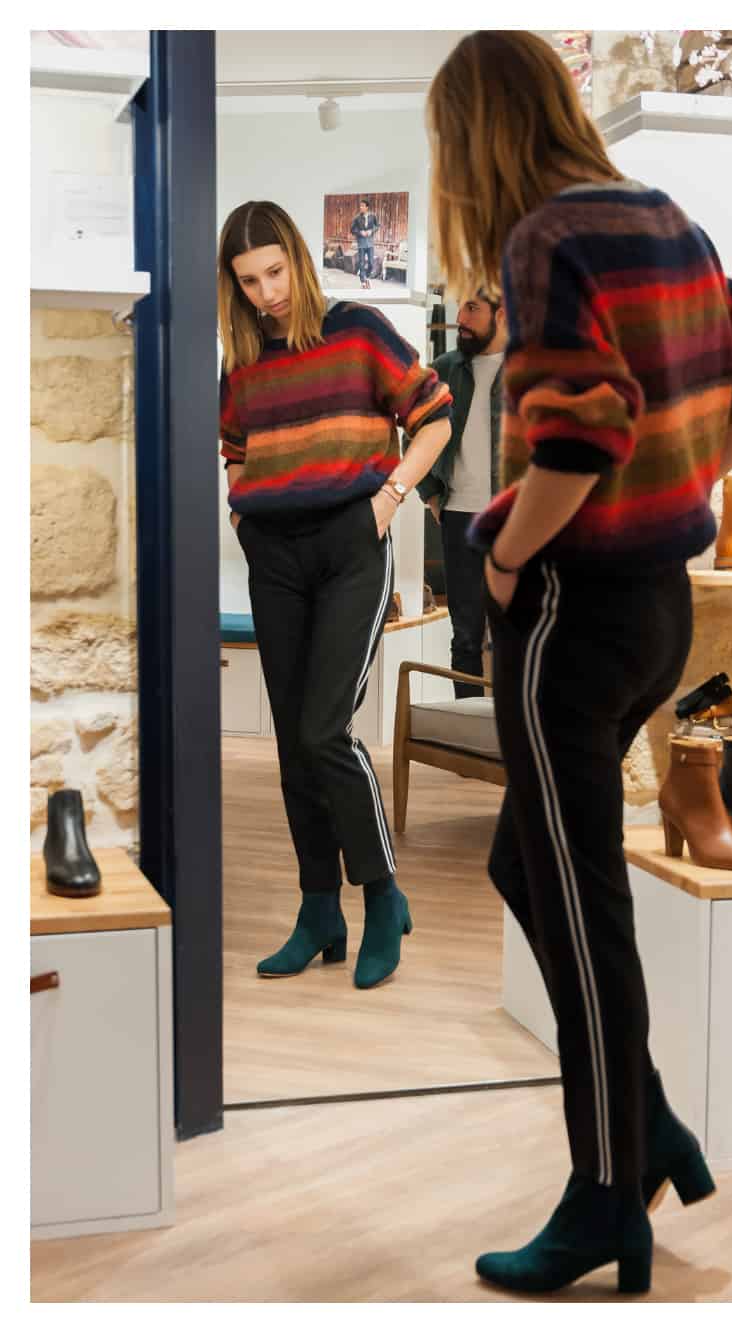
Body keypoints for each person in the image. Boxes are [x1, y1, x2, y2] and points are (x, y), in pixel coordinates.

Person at [428, 30, 732, 1295]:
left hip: (572, 614)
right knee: (523, 863)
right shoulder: (665, 219)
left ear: (471, 138)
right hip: (662, 613)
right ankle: (644, 1131)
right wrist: (689, 481)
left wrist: (502, 562)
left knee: (585, 913)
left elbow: (578, 435)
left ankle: (600, 1200)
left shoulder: (543, 242)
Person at [217, 200, 452, 989]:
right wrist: (243, 509)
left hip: (353, 546)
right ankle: (320, 907)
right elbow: (236, 449)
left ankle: (383, 894)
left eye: (275, 271)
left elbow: (434, 418)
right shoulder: (243, 358)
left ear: (298, 259)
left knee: (325, 731)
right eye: (248, 280)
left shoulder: (357, 328)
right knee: (291, 743)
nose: (266, 292)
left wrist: (388, 500)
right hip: (274, 554)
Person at [416, 289, 507, 696]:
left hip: (516, 521)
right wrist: (431, 493)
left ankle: (510, 742)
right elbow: (414, 433)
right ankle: (468, 735)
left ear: (501, 315)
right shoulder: (443, 369)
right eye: (460, 306)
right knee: (465, 637)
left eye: (472, 308)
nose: (461, 317)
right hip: (460, 518)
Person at [351, 198, 380, 288]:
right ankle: (363, 281)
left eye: (363, 206)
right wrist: (360, 232)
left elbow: (377, 226)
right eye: (360, 206)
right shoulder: (357, 218)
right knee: (362, 263)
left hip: (370, 243)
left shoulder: (373, 216)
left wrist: (371, 231)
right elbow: (352, 229)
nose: (361, 207)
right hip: (361, 243)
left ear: (367, 207)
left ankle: (365, 276)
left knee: (371, 263)